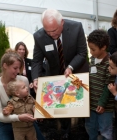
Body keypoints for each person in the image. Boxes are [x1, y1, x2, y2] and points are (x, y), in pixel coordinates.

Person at [32, 9, 89, 139]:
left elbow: (82, 52)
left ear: (62, 22)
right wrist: (36, 78)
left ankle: (83, 132)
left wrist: (70, 67)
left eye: (54, 30)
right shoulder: (39, 36)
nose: (52, 34)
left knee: (80, 107)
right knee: (62, 108)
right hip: (56, 76)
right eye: (48, 31)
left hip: (77, 72)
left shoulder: (76, 27)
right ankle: (65, 132)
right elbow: (36, 61)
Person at [0, 49, 40, 140]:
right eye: (15, 68)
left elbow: (29, 102)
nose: (18, 71)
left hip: (27, 123)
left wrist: (37, 112)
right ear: (5, 66)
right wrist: (19, 117)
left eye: (19, 68)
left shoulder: (23, 80)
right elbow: (0, 116)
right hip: (7, 123)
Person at [84, 29, 115, 140]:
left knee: (105, 131)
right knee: (90, 128)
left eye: (93, 49)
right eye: (89, 48)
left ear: (103, 47)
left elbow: (109, 85)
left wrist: (102, 103)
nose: (91, 52)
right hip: (90, 104)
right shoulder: (91, 60)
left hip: (105, 107)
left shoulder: (110, 63)